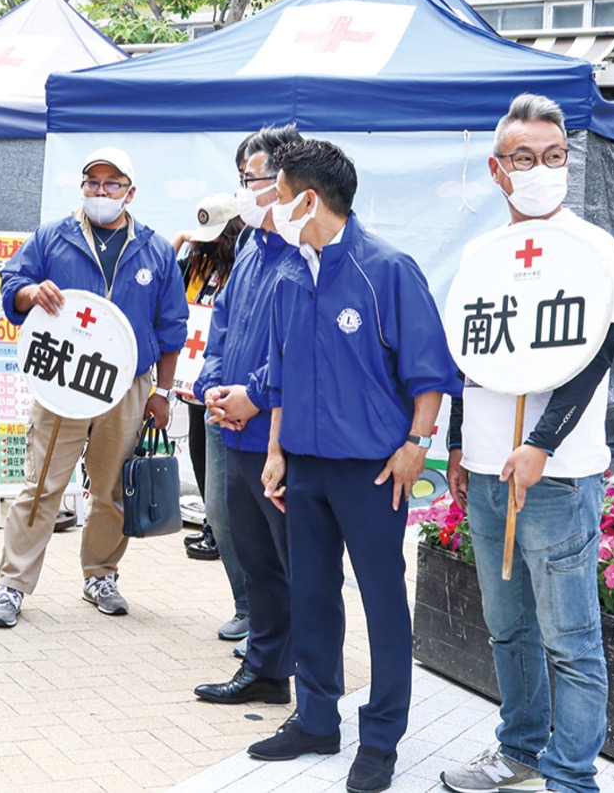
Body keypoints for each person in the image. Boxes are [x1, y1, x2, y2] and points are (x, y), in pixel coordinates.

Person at [252, 139, 460, 793]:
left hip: (372, 472)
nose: (270, 205)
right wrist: (277, 452)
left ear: (309, 200)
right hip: (305, 468)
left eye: (278, 194)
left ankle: (381, 738)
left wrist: (415, 446)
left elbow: (430, 374)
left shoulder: (387, 270)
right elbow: (281, 377)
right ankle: (316, 720)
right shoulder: (289, 276)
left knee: (382, 602)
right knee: (311, 596)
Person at [440, 95, 614, 793]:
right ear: (497, 169)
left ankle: (571, 777)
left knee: (570, 639)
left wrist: (541, 443)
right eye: (524, 158)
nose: (542, 169)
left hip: (557, 476)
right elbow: (471, 356)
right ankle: (519, 748)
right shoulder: (481, 253)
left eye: (554, 156)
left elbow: (598, 356)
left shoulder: (594, 248)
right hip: (489, 469)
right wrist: (460, 443)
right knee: (506, 627)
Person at [0, 147, 188, 628]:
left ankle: (101, 574)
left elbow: (171, 327)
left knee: (113, 489)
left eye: (112, 184)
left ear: (130, 193)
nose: (101, 192)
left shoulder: (156, 249)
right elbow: (12, 282)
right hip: (64, 380)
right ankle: (12, 583)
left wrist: (162, 392)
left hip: (128, 385)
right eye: (92, 183)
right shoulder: (53, 237)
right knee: (41, 485)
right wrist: (29, 293)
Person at [191, 125, 304, 707]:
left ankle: (313, 686)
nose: (246, 191)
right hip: (233, 430)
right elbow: (223, 327)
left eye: (253, 179)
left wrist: (253, 396)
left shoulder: (308, 251)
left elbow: (300, 349)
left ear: (287, 183)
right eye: (242, 179)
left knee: (296, 563)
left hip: (280, 436)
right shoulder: (252, 248)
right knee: (254, 559)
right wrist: (213, 388)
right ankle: (265, 669)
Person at [170, 194, 243, 568]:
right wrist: (182, 240)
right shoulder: (198, 265)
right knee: (199, 453)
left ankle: (222, 528)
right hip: (193, 381)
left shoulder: (243, 268)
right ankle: (212, 524)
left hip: (225, 382)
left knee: (222, 463)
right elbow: (163, 275)